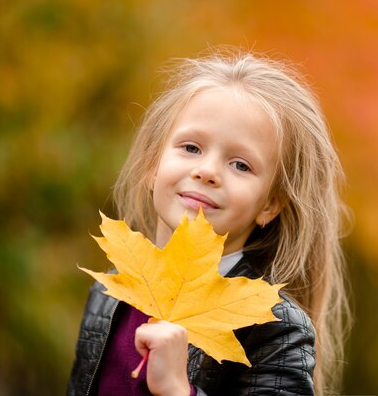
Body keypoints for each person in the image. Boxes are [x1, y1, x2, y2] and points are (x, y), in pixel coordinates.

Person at [67, 49, 351, 396]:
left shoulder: (272, 325)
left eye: (241, 165)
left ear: (270, 205)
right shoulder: (110, 293)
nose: (208, 172)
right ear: (152, 165)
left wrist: (176, 390)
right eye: (190, 147)